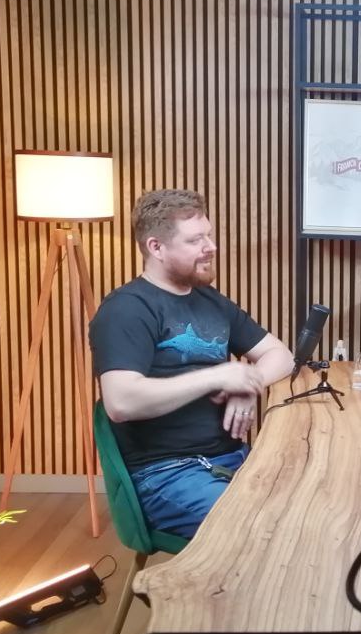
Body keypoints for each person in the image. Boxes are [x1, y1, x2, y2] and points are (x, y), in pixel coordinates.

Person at [90, 189, 294, 538]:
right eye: (195, 239)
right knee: (270, 531)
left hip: (232, 459)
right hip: (166, 475)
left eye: (209, 235)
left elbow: (281, 355)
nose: (211, 247)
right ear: (156, 247)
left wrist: (249, 384)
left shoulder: (210, 301)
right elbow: (121, 402)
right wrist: (218, 376)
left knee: (317, 508)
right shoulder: (126, 310)